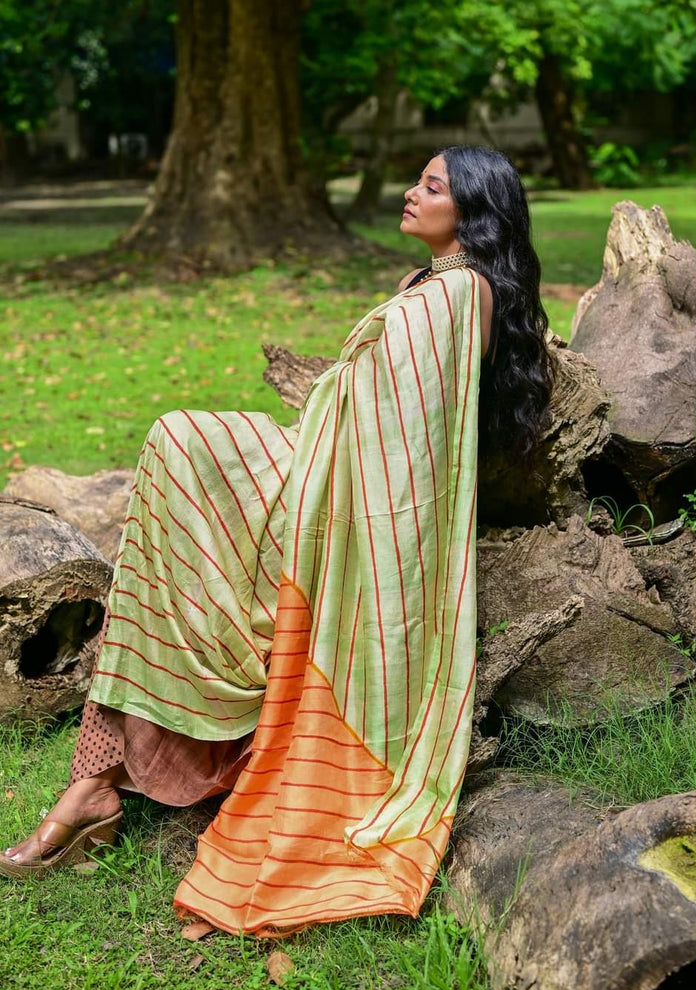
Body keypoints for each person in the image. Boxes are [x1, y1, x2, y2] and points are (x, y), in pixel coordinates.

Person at [1, 144, 554, 937]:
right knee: (174, 460)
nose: (410, 192)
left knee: (178, 449)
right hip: (323, 463)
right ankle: (93, 780)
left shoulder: (457, 295)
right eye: (419, 181)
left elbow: (405, 444)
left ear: (472, 211)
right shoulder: (429, 283)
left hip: (342, 503)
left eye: (431, 186)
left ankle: (96, 785)